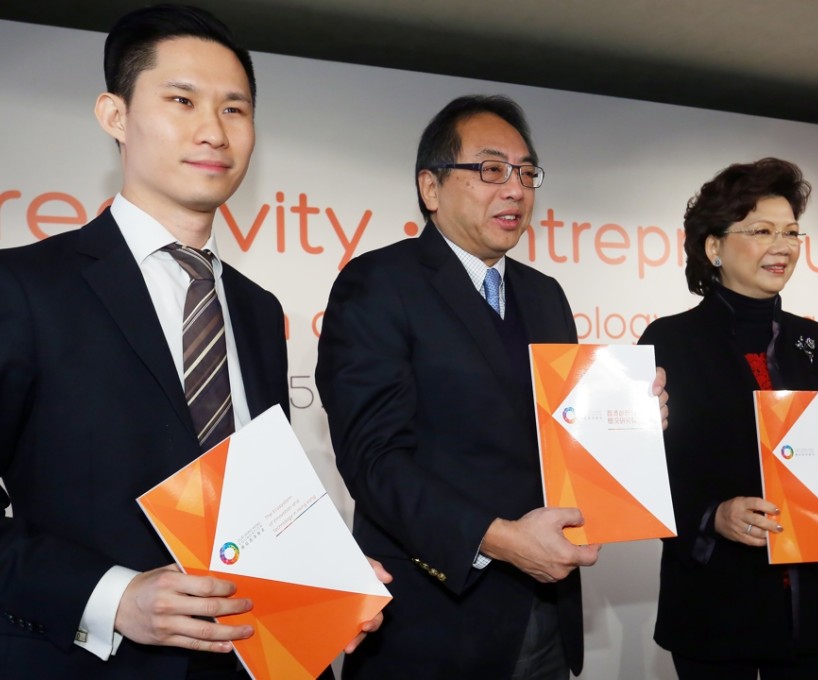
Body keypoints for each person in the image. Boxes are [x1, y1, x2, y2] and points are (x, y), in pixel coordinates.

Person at [0, 5, 383, 679]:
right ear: (114, 116)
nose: (213, 130)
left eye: (235, 110)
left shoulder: (258, 310)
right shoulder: (24, 288)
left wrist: (322, 573)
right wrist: (110, 596)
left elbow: (255, 502)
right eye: (182, 100)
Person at [315, 94, 667, 680]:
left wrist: (628, 423)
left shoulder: (545, 293)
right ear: (431, 188)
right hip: (436, 626)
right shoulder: (378, 283)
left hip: (548, 616)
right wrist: (496, 539)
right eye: (489, 169)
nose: (515, 189)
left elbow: (560, 441)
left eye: (527, 172)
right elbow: (374, 462)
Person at [639, 158, 818, 680]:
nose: (782, 245)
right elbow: (645, 472)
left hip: (815, 605)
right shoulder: (669, 341)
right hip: (716, 601)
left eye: (791, 232)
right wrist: (710, 516)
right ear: (713, 247)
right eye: (761, 230)